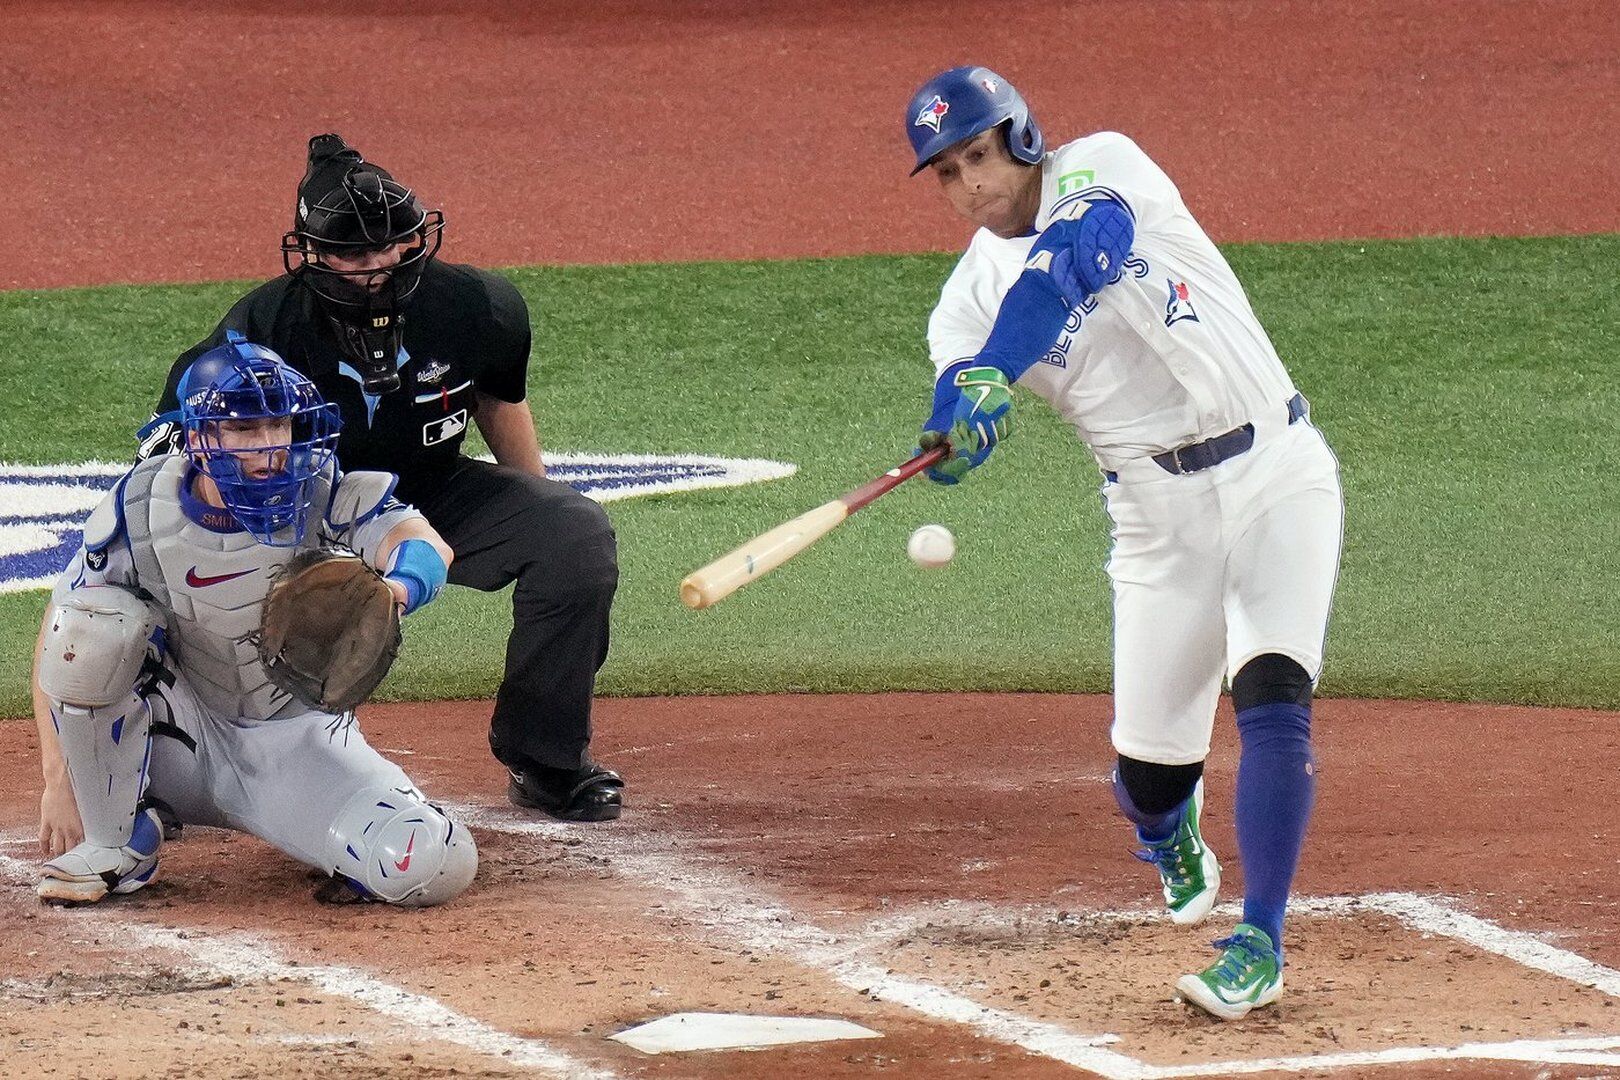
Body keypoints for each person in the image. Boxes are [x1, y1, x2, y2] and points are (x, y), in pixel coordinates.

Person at [903, 67, 1343, 1019]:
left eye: (978, 153)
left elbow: (1074, 258)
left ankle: (1260, 942)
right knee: (1147, 781)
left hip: (1276, 470)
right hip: (1154, 520)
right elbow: (955, 382)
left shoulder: (1102, 165)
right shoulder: (963, 304)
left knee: (1273, 696)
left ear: (1021, 138)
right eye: (946, 171)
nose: (970, 183)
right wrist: (956, 429)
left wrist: (995, 370)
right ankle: (1168, 826)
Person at [139, 134, 623, 821]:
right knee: (188, 595)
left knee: (572, 532)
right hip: (299, 514)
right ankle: (164, 770)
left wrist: (542, 506)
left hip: (431, 492)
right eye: (356, 254)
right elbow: (178, 454)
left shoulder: (477, 306)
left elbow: (498, 400)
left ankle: (544, 756)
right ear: (312, 251)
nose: (380, 266)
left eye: (394, 245)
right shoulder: (261, 332)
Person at [35, 339, 476, 906]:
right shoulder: (141, 506)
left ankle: (321, 829)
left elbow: (425, 545)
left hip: (295, 746)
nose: (270, 446)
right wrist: (60, 779)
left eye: (279, 425)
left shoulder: (323, 494)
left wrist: (399, 589)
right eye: (244, 429)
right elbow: (63, 635)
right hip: (176, 737)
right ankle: (118, 839)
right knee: (95, 628)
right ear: (199, 437)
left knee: (431, 864)